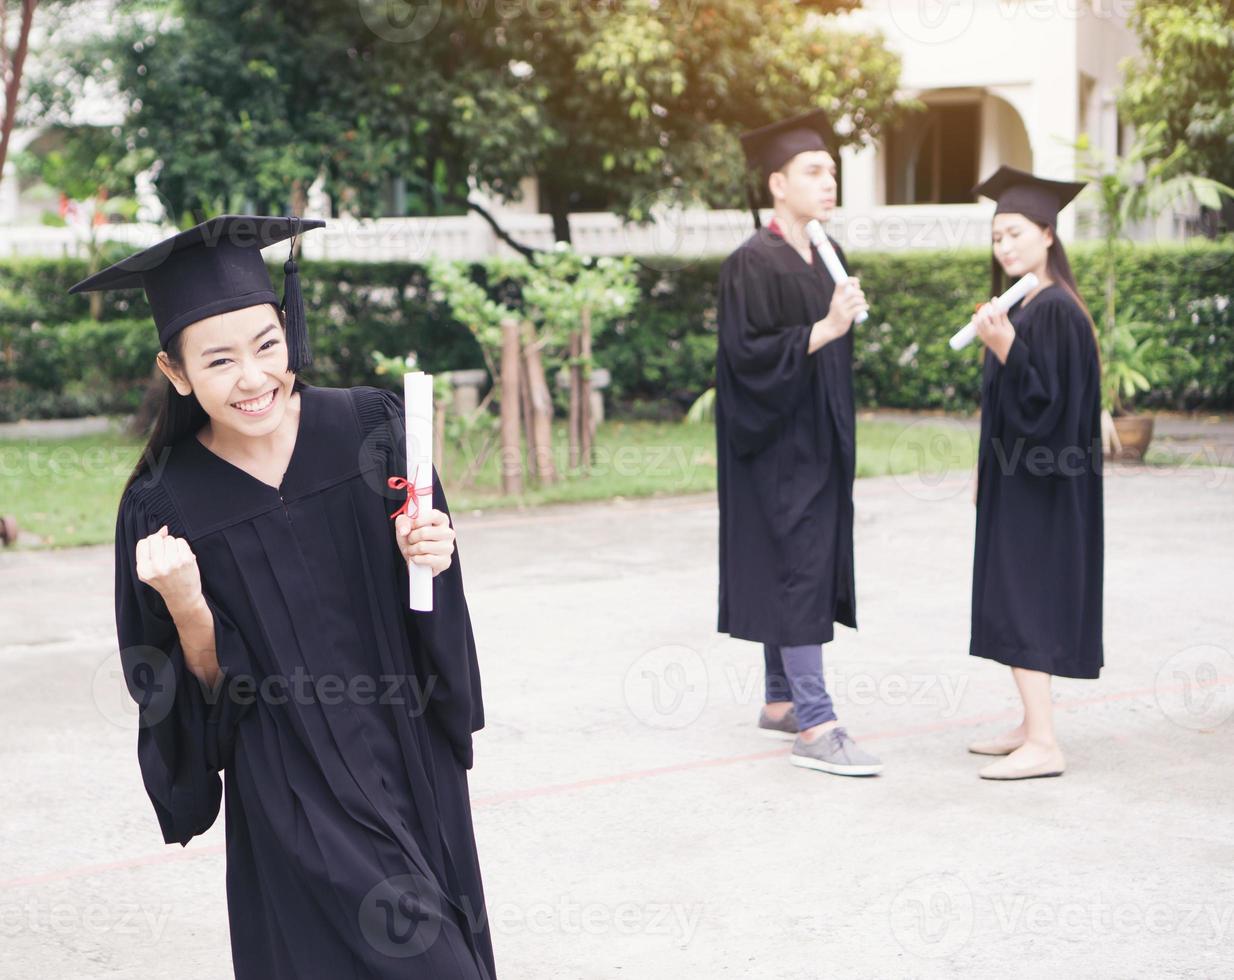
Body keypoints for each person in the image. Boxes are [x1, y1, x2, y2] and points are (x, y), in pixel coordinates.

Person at [71, 216, 496, 977]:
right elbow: (195, 702)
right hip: (296, 785)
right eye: (220, 360)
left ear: (288, 332)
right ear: (175, 371)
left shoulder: (371, 429)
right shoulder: (163, 505)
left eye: (267, 346)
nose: (253, 378)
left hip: (409, 752)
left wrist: (430, 555)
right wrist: (186, 605)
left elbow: (432, 591)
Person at [715, 109, 882, 777]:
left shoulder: (824, 257)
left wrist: (836, 319)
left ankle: (781, 700)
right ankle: (816, 726)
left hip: (817, 444)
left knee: (796, 562)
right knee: (797, 568)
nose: (829, 182)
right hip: (776, 450)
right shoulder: (751, 264)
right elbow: (745, 360)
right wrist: (826, 328)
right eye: (814, 172)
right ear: (778, 183)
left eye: (833, 172)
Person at [965, 167, 1104, 780]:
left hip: (1044, 486)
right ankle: (1030, 724)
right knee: (1012, 595)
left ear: (1048, 234)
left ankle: (1045, 743)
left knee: (1028, 601)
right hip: (1016, 479)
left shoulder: (1054, 313)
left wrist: (1005, 349)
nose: (1005, 246)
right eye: (997, 237)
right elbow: (1007, 410)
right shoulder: (1023, 307)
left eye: (1016, 232)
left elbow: (1048, 413)